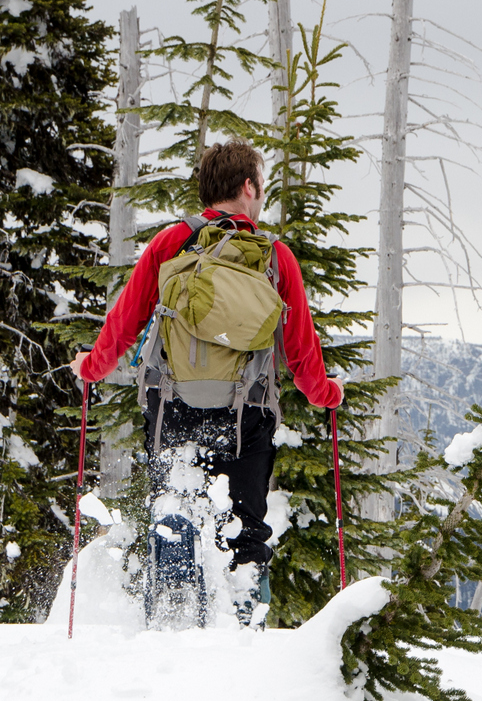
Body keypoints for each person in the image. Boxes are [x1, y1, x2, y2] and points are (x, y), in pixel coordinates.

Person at [70, 140, 343, 624]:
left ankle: (172, 624)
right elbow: (302, 359)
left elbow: (125, 324)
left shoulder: (169, 244)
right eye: (260, 186)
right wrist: (329, 394)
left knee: (174, 513)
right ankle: (240, 633)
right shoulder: (276, 258)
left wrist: (90, 365)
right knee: (245, 531)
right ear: (248, 187)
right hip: (247, 417)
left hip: (174, 407)